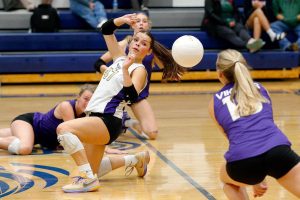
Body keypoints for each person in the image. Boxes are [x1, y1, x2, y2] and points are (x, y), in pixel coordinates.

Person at [56, 13, 173, 193]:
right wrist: (122, 20)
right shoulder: (118, 58)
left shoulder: (139, 69)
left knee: (64, 130)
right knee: (88, 171)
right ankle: (135, 160)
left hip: (108, 120)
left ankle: (88, 179)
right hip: (96, 118)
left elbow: (132, 96)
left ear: (148, 52)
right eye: (136, 40)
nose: (137, 44)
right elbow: (106, 29)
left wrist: (126, 69)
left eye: (143, 44)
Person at [208, 49, 300, 199]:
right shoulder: (261, 89)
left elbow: (236, 139)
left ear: (220, 74)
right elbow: (265, 127)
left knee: (226, 179)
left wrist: (256, 178)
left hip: (243, 161)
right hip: (278, 151)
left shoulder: (214, 102)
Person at [94, 12, 185, 140]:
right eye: (138, 20)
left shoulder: (151, 49)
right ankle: (117, 120)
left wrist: (174, 73)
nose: (141, 23)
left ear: (149, 25)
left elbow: (167, 69)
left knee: (152, 133)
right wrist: (111, 72)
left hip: (135, 94)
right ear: (131, 24)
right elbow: (98, 63)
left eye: (144, 21)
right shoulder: (122, 46)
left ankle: (126, 122)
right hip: (115, 92)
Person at [0, 84, 95, 155]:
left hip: (34, 136)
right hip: (30, 124)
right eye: (85, 99)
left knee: (18, 141)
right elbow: (74, 137)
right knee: (25, 148)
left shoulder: (86, 114)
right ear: (78, 97)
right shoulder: (66, 106)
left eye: (91, 100)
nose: (88, 103)